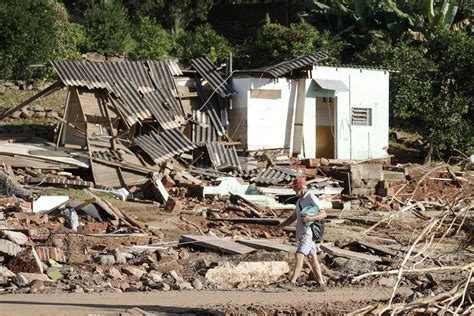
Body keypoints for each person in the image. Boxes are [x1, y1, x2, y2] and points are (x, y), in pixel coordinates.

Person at [272, 177, 327, 289]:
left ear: (301, 187)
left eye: (295, 188)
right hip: (303, 233)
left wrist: (310, 218)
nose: (293, 190)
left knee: (299, 254)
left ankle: (292, 283)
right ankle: (321, 285)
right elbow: (293, 217)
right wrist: (280, 226)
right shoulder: (299, 201)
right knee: (312, 259)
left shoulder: (311, 197)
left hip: (308, 232)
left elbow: (323, 213)